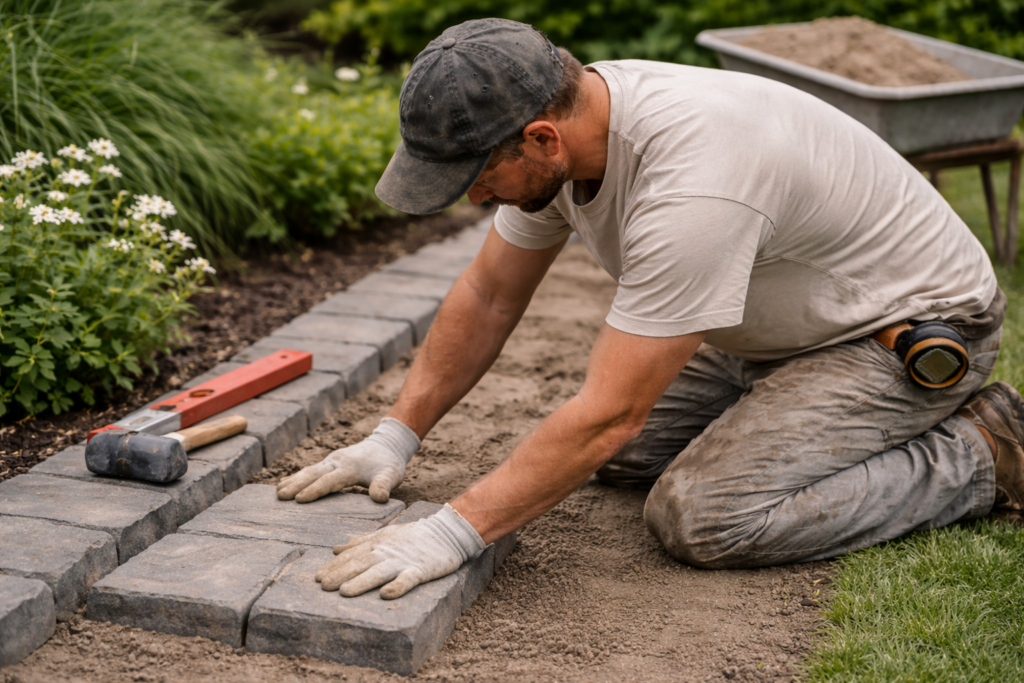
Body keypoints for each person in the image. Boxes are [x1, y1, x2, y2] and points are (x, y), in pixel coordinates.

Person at [276, 18, 1024, 600]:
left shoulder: (693, 181)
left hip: (900, 332)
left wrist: (452, 532)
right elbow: (490, 293)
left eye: (476, 175)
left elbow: (610, 412)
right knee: (622, 461)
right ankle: (796, 404)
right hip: (788, 332)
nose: (473, 196)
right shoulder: (572, 136)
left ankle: (984, 450)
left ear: (541, 138)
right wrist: (394, 436)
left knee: (702, 515)